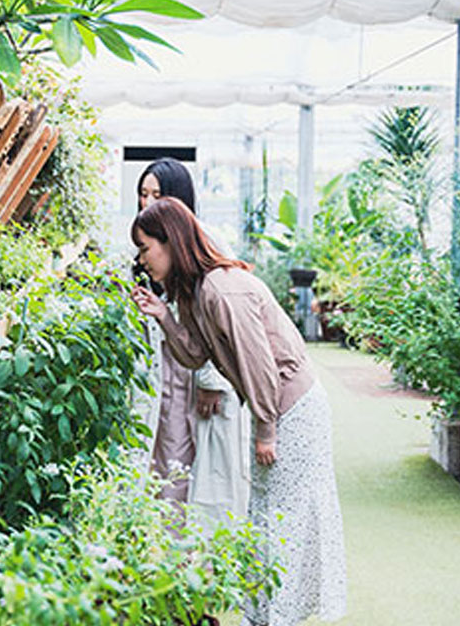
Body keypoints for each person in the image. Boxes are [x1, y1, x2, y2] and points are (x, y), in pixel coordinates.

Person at [131, 197, 346, 626]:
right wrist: (163, 317)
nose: (141, 259)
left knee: (284, 518)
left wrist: (266, 429)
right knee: (263, 516)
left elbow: (260, 364)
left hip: (295, 410)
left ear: (170, 241)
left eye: (144, 247)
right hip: (274, 409)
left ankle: (278, 618)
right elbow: (194, 356)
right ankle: (260, 618)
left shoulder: (222, 288)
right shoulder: (194, 292)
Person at [132, 159, 250, 528]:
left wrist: (212, 381)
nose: (148, 202)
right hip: (166, 365)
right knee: (167, 454)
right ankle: (167, 542)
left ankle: (199, 544)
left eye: (157, 194)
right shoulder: (144, 239)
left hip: (195, 368)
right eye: (143, 194)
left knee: (205, 461)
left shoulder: (205, 239)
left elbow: (219, 316)